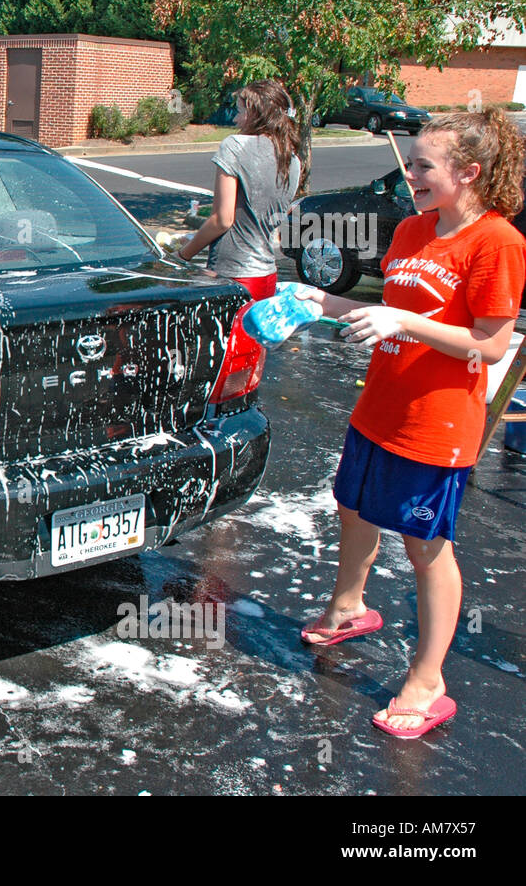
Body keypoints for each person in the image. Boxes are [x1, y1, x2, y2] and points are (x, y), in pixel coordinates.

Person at [297, 109, 526, 737]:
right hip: (380, 407)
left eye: (424, 165)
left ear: (469, 173)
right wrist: (320, 302)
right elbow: (390, 311)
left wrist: (405, 324)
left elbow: (491, 341)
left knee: (426, 549)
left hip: (437, 423)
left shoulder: (497, 241)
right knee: (353, 507)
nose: (411, 175)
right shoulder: (412, 230)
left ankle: (429, 681)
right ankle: (349, 607)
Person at [174, 80, 302, 301]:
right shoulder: (292, 160)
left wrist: (182, 256)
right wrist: (197, 237)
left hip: (234, 277)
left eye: (239, 111)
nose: (235, 119)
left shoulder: (235, 146)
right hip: (267, 276)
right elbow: (252, 221)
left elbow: (223, 220)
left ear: (256, 113)